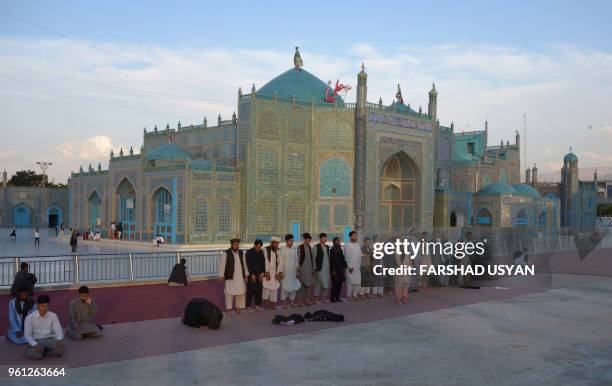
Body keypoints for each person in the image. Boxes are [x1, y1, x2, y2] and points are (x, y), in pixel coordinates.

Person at [24, 294, 64, 360]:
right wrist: (34, 344)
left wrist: (59, 339)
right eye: (42, 306)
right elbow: (27, 335)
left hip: (49, 339)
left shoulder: (53, 315)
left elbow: (58, 329)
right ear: (37, 305)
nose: (45, 308)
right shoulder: (29, 318)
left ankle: (42, 352)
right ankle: (31, 350)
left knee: (61, 350)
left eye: (47, 306)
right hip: (37, 340)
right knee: (36, 356)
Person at [218, 238, 248, 315]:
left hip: (240, 277)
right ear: (231, 244)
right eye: (235, 244)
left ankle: (238, 308)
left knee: (240, 292)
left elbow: (244, 264)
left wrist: (246, 275)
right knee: (229, 293)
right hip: (230, 276)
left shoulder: (241, 253)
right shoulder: (226, 253)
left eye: (237, 245)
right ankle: (229, 309)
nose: (236, 246)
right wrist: (221, 275)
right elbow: (222, 265)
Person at [280, 234, 301, 308]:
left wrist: (297, 270)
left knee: (293, 285)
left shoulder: (293, 250)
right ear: (286, 241)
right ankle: (284, 303)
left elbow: (296, 261)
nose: (291, 242)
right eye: (290, 240)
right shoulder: (282, 250)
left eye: (292, 240)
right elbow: (280, 262)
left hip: (292, 272)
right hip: (284, 272)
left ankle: (292, 302)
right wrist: (281, 272)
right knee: (284, 286)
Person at [262, 236, 283, 310]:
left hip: (275, 273)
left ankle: (272, 305)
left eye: (278, 243)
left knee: (274, 290)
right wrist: (267, 272)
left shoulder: (278, 250)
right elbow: (265, 261)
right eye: (276, 243)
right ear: (272, 243)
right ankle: (266, 305)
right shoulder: (265, 249)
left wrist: (279, 272)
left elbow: (280, 262)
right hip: (268, 272)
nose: (277, 245)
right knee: (266, 289)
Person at [245, 239, 266, 311]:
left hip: (259, 275)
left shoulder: (261, 252)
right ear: (254, 245)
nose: (258, 248)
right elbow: (248, 264)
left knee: (259, 291)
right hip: (252, 275)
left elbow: (263, 263)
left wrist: (263, 273)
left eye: (260, 247)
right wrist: (251, 274)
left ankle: (258, 305)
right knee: (250, 291)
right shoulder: (249, 252)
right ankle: (248, 306)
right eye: (257, 247)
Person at [297, 233, 315, 306]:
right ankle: (300, 301)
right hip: (302, 269)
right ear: (305, 239)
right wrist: (299, 269)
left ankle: (307, 300)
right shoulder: (300, 247)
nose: (309, 241)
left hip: (309, 269)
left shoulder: (310, 247)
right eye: (308, 240)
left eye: (310, 240)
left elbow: (312, 259)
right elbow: (298, 259)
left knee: (308, 286)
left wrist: (313, 269)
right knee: (302, 286)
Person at [344, 231, 362, 301]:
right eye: (354, 235)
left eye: (356, 235)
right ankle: (349, 296)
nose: (355, 237)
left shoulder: (357, 245)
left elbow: (360, 254)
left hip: (357, 267)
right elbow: (347, 257)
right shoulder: (347, 245)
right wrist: (350, 267)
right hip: (351, 267)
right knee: (350, 283)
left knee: (357, 283)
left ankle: (355, 295)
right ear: (350, 236)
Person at [314, 233, 331, 303]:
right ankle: (316, 299)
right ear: (320, 238)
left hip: (326, 268)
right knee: (318, 284)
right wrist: (315, 269)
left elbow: (328, 257)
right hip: (319, 268)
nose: (325, 239)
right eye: (324, 238)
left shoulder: (327, 247)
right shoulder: (316, 247)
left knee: (326, 283)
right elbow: (314, 258)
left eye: (326, 238)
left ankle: (323, 298)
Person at [329, 237, 347, 303]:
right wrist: (333, 270)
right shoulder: (332, 250)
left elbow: (343, 259)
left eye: (339, 241)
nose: (339, 242)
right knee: (334, 284)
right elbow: (331, 261)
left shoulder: (340, 249)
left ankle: (337, 297)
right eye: (337, 241)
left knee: (339, 284)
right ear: (334, 242)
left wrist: (344, 267)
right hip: (334, 270)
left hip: (340, 269)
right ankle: (332, 298)